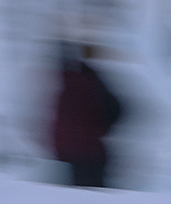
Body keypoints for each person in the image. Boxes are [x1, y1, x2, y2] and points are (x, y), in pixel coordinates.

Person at [50, 43, 124, 188]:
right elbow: (117, 108)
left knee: (88, 197)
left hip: (83, 153)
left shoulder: (79, 82)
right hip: (85, 152)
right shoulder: (85, 79)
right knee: (91, 198)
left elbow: (116, 108)